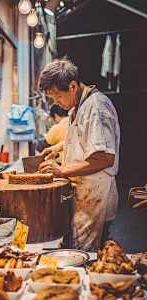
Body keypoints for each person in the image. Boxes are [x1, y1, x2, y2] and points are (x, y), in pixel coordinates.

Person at [38, 57, 120, 251]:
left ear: (73, 86)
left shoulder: (96, 108)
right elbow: (85, 142)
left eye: (57, 96)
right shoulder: (78, 106)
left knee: (88, 255)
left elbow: (105, 158)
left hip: (95, 197)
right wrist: (58, 147)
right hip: (83, 195)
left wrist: (60, 171)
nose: (56, 102)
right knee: (77, 248)